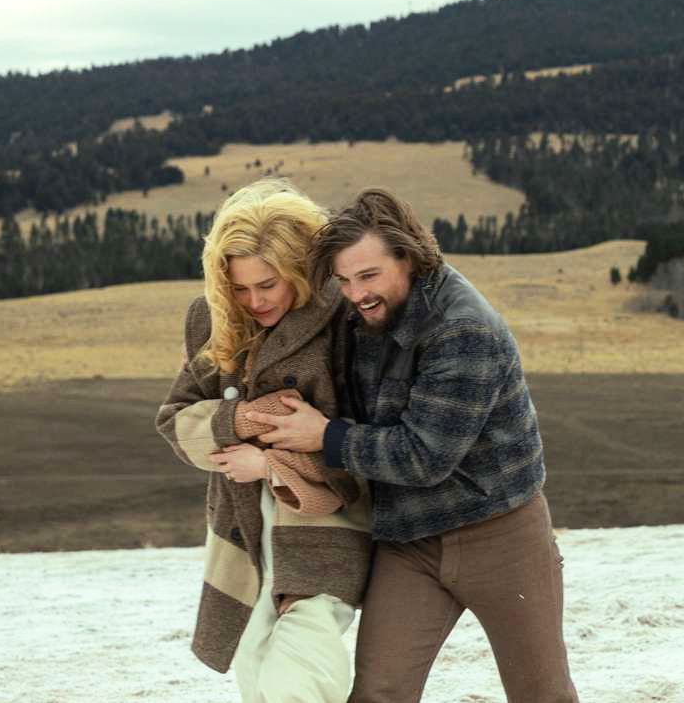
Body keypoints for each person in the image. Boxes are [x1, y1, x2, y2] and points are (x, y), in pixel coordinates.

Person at [246, 188, 579, 703]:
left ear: (410, 257)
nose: (356, 294)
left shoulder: (463, 329)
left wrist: (324, 436)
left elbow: (424, 457)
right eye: (344, 279)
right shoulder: (359, 312)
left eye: (369, 276)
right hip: (410, 540)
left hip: (501, 536)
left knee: (542, 695)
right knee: (379, 692)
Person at [153, 179, 373, 702]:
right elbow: (176, 423)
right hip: (242, 530)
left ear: (298, 268)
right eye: (240, 287)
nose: (253, 301)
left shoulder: (344, 320)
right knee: (254, 675)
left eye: (268, 285)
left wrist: (272, 466)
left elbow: (365, 443)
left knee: (295, 680)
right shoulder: (210, 317)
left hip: (324, 525)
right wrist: (249, 418)